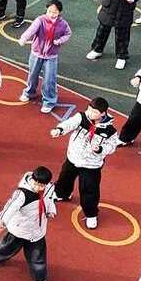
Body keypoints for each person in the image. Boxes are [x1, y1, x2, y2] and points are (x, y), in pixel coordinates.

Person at [50, 97, 120, 229]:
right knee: (65, 177)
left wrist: (100, 149)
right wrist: (59, 130)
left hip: (91, 165)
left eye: (94, 111)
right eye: (89, 109)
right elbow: (69, 123)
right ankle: (61, 193)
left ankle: (91, 214)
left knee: (88, 189)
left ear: (103, 113)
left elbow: (112, 146)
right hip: (73, 157)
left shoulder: (110, 131)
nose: (90, 113)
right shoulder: (82, 118)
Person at [0, 166, 57, 281]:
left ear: (46, 184)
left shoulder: (49, 189)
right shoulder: (22, 193)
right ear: (32, 180)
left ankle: (40, 279)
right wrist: (2, 219)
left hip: (36, 231)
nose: (37, 188)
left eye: (41, 186)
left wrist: (51, 210)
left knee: (37, 257)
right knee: (7, 246)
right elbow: (11, 206)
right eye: (35, 184)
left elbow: (50, 201)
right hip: (19, 229)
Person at [19, 1, 74, 114]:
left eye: (55, 12)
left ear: (60, 12)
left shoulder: (63, 24)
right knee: (32, 74)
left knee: (50, 78)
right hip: (37, 52)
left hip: (51, 55)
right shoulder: (40, 20)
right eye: (49, 11)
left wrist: (59, 41)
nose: (51, 14)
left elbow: (68, 34)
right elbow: (32, 29)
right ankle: (29, 92)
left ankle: (49, 101)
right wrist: (24, 37)